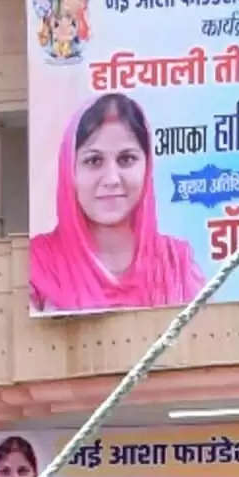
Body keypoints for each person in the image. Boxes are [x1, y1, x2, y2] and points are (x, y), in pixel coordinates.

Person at [29, 91, 204, 314]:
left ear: (147, 165)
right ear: (69, 169)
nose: (112, 179)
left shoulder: (176, 263)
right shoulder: (39, 265)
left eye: (126, 159)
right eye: (93, 161)